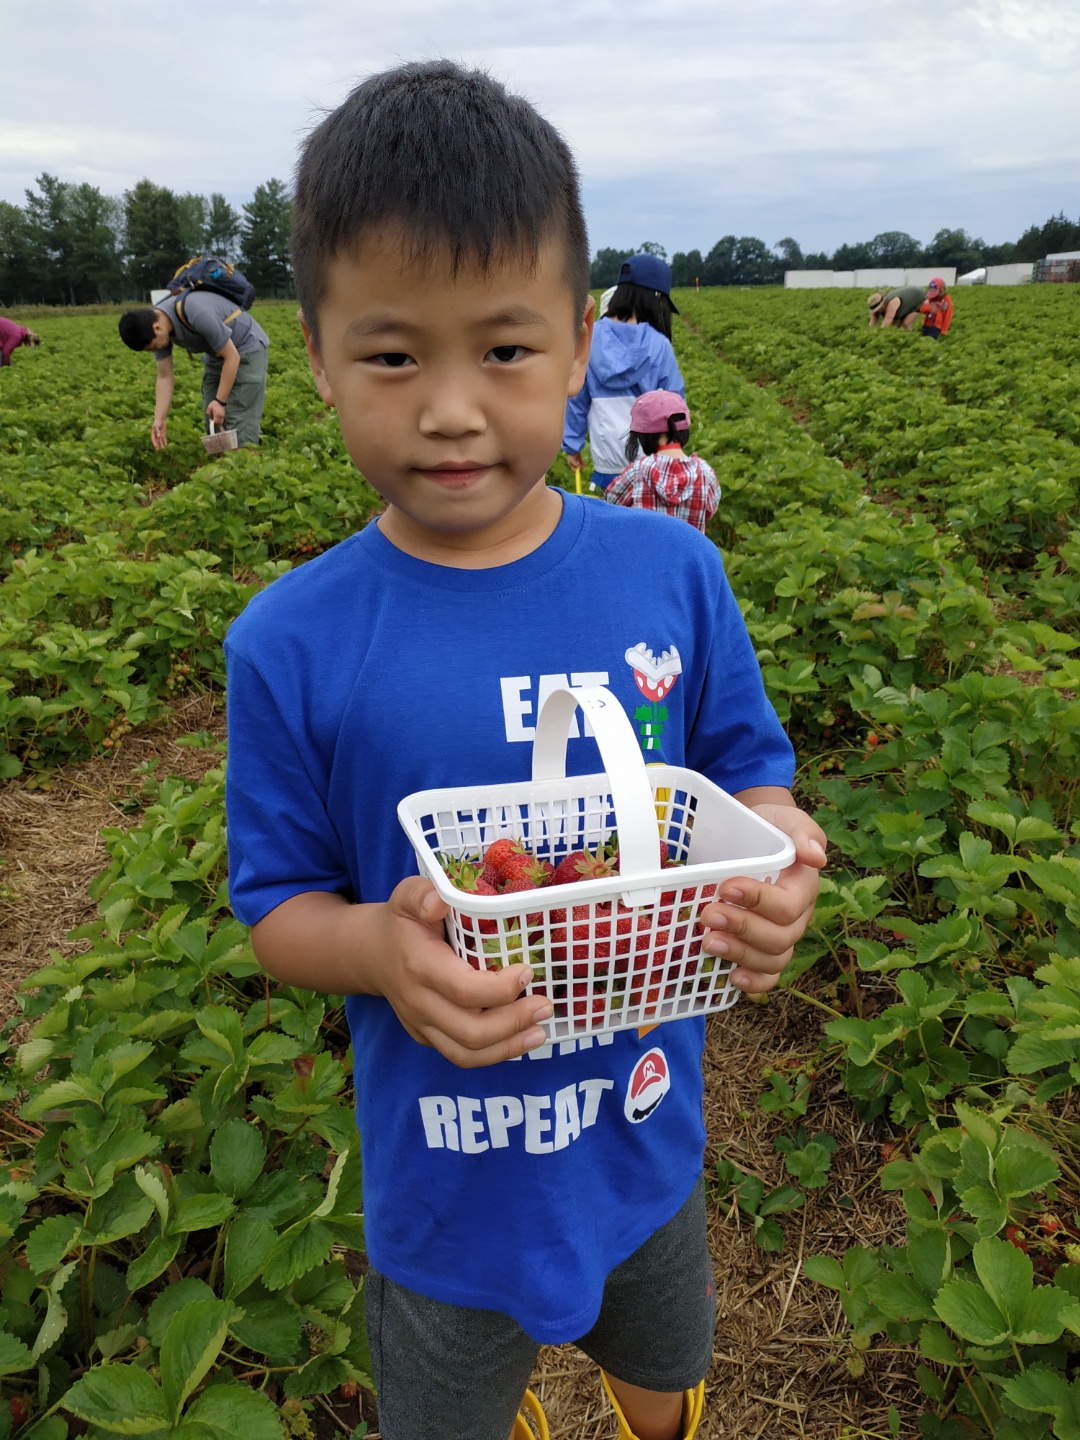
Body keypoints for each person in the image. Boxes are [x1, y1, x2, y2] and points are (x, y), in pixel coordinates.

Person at [224, 60, 827, 1440]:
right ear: (314, 357)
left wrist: (776, 860)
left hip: (643, 1132)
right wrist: (382, 951)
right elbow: (278, 907)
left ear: (579, 344)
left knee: (664, 1358)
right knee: (447, 1404)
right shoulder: (290, 642)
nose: (451, 408)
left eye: (503, 351)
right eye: (393, 355)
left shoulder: (673, 573)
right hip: (448, 1175)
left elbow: (751, 775)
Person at [563, 253, 685, 488]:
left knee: (610, 511)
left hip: (606, 465)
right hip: (653, 466)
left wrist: (572, 446)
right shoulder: (659, 345)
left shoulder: (589, 339)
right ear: (656, 299)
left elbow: (575, 400)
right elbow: (675, 405)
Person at [117, 291, 270, 449]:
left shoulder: (196, 312)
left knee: (238, 418)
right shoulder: (154, 329)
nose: (155, 350)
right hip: (216, 355)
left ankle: (246, 455)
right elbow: (165, 376)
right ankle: (222, 460)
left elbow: (232, 357)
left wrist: (220, 401)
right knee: (213, 420)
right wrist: (159, 419)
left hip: (246, 349)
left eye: (153, 347)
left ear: (157, 328)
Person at [606, 390, 720, 532]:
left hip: (644, 547)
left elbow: (611, 505)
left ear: (643, 436)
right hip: (688, 547)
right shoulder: (706, 474)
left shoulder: (636, 472)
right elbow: (710, 511)